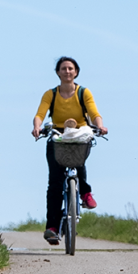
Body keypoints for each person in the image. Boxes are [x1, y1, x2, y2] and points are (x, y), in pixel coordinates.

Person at [31, 56, 108, 245]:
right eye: (63, 69)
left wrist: (101, 126)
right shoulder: (51, 94)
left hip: (79, 134)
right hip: (58, 135)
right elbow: (40, 114)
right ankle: (53, 228)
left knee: (78, 159)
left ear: (76, 72)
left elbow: (94, 113)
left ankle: (85, 192)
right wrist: (37, 127)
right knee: (55, 184)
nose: (67, 72)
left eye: (70, 69)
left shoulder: (83, 92)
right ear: (58, 72)